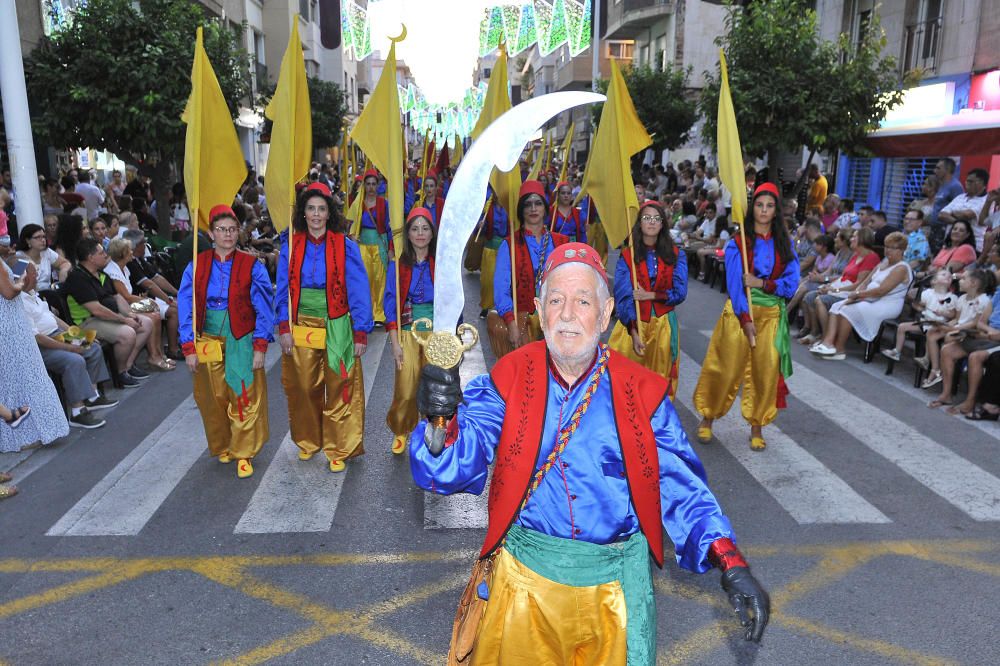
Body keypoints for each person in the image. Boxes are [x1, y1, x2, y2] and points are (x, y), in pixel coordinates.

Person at [410, 243, 769, 663]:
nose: (567, 314)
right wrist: (441, 420)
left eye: (583, 301)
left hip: (614, 595)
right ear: (540, 311)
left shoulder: (642, 391)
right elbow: (448, 467)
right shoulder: (507, 379)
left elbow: (681, 486)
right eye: (557, 300)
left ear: (605, 313)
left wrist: (730, 562)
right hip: (524, 589)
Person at [275, 183, 373, 473]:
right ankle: (308, 440)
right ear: (303, 213)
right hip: (302, 322)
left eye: (321, 209)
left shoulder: (345, 246)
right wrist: (283, 326)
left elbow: (358, 289)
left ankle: (339, 446)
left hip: (338, 323)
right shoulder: (290, 246)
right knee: (304, 385)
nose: (316, 214)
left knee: (340, 385)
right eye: (311, 209)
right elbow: (282, 290)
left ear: (329, 213)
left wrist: (361, 330)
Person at [694, 182, 800, 451]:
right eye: (760, 205)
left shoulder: (785, 245)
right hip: (740, 315)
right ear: (753, 209)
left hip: (772, 316)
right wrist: (746, 320)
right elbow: (734, 285)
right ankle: (708, 417)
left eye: (770, 206)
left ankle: (757, 426)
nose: (764, 210)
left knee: (765, 373)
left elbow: (791, 282)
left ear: (776, 212)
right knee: (725, 368)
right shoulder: (737, 244)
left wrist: (762, 284)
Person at [178, 205, 274, 479]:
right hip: (207, 338)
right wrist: (188, 346)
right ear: (211, 233)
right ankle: (223, 444)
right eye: (221, 229)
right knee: (213, 396)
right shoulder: (197, 266)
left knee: (243, 395)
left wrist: (260, 345)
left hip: (240, 337)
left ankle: (244, 452)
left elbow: (264, 308)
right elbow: (186, 305)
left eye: (232, 229)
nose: (228, 234)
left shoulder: (252, 265)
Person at [20, 265, 115, 428]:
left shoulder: (32, 294)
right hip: (41, 346)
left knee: (93, 347)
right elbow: (38, 338)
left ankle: (91, 397)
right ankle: (78, 412)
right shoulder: (19, 302)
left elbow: (54, 320)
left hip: (56, 334)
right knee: (74, 360)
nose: (38, 275)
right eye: (34, 273)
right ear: (24, 277)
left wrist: (80, 336)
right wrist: (70, 348)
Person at [608, 201, 687, 399]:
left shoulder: (677, 255)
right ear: (639, 224)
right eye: (646, 218)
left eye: (656, 218)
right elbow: (623, 295)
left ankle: (656, 426)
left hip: (663, 326)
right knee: (625, 382)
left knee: (659, 380)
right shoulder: (628, 256)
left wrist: (651, 295)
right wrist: (633, 330)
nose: (651, 222)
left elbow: (680, 292)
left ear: (662, 224)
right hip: (633, 325)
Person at [489, 180, 569, 359]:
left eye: (538, 203)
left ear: (545, 208)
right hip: (523, 324)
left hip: (558, 323)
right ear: (521, 210)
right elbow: (501, 290)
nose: (533, 208)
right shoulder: (508, 245)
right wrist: (511, 324)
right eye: (528, 204)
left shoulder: (562, 242)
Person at [63, 238, 153, 388]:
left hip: (106, 317)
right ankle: (120, 372)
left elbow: (117, 297)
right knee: (128, 333)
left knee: (146, 323)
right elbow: (97, 310)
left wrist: (130, 314)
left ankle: (128, 366)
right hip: (87, 322)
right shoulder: (78, 278)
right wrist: (124, 320)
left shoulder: (101, 274)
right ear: (91, 258)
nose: (106, 255)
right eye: (101, 252)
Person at [0, 262, 70, 453]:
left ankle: (25, 434)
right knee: (25, 375)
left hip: (11, 321)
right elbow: (9, 292)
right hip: (10, 325)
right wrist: (22, 280)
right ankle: (27, 435)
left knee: (14, 378)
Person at [810, 232, 912, 361]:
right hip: (869, 298)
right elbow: (865, 282)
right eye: (887, 246)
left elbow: (881, 290)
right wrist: (855, 294)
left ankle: (840, 349)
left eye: (893, 248)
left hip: (886, 303)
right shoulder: (884, 263)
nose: (888, 250)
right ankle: (828, 343)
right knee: (838, 305)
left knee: (848, 310)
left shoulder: (901, 268)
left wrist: (858, 294)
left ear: (902, 250)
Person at [384, 208, 436, 455]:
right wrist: (394, 343)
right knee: (406, 388)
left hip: (437, 334)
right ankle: (401, 430)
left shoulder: (441, 262)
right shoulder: (397, 265)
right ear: (408, 233)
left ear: (432, 232)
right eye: (415, 228)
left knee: (434, 386)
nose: (420, 233)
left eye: (425, 228)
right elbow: (390, 305)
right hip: (407, 331)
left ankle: (431, 430)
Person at [104, 238, 176, 371]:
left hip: (129, 304)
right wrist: (143, 300)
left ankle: (158, 353)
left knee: (154, 310)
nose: (132, 252)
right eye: (129, 250)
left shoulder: (124, 268)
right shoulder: (113, 272)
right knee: (153, 315)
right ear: (123, 253)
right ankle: (153, 356)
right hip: (122, 308)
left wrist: (143, 299)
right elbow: (125, 297)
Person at [929, 284, 1000, 416]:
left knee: (975, 357)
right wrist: (991, 331)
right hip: (987, 335)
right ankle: (946, 394)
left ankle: (970, 401)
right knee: (947, 350)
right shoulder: (998, 293)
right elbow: (981, 322)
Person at [920, 269, 993, 391]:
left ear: (973, 283)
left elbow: (975, 323)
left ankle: (944, 371)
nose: (959, 281)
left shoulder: (983, 301)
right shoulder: (962, 298)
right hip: (958, 326)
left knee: (949, 336)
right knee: (932, 332)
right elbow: (958, 319)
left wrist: (955, 327)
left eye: (963, 279)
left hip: (969, 331)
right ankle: (935, 368)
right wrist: (945, 324)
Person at [881, 268, 955, 362]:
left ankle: (926, 358)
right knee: (902, 327)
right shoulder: (927, 293)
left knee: (930, 334)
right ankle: (897, 351)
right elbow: (920, 306)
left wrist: (944, 313)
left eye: (949, 276)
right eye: (944, 275)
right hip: (924, 322)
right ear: (934, 281)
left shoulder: (952, 297)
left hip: (937, 326)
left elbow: (952, 314)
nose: (947, 276)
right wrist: (918, 307)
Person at [355, 169, 390, 325]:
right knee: (365, 281)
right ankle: (366, 313)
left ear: (378, 185)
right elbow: (352, 225)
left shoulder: (384, 203)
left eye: (373, 184)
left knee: (380, 280)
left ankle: (379, 314)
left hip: (379, 245)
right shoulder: (358, 203)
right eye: (368, 184)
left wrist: (391, 249)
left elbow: (389, 227)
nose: (370, 187)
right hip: (363, 246)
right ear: (364, 185)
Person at [939, 168, 990, 252]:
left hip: (971, 247)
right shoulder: (960, 197)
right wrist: (959, 224)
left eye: (970, 181)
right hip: (950, 244)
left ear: (980, 182)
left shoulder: (986, 200)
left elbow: (967, 215)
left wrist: (951, 213)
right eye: (966, 180)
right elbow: (941, 215)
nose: (966, 183)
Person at [477, 192, 509, 318]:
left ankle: (501, 307)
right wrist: (480, 225)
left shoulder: (509, 207)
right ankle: (485, 306)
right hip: (490, 247)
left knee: (503, 280)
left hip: (504, 249)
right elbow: (479, 228)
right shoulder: (488, 207)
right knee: (487, 280)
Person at [15, 224, 71, 290]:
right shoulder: (19, 257)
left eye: (44, 237)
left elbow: (65, 263)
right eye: (38, 237)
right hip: (29, 295)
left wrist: (63, 271)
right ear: (27, 240)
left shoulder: (46, 252)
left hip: (48, 292)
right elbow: (17, 283)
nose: (43, 240)